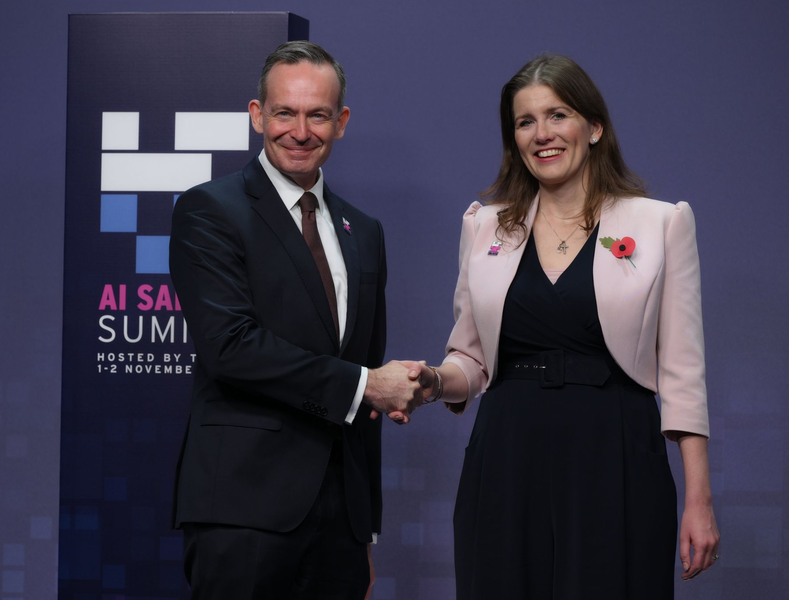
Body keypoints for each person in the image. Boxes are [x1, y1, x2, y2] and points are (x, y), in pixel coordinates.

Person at [408, 54, 721, 598]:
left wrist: (699, 499)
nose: (541, 134)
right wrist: (433, 381)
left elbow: (682, 372)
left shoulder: (661, 222)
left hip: (615, 453)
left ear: (594, 127)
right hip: (507, 454)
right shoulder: (484, 225)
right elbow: (472, 360)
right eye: (525, 121)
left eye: (558, 115)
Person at [169, 41, 423, 599]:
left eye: (318, 115)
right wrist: (366, 385)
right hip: (242, 512)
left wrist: (366, 531)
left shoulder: (366, 231)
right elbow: (230, 347)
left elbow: (366, 396)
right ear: (258, 114)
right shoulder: (209, 209)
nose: (300, 131)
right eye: (284, 112)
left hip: (340, 526)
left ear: (342, 122)